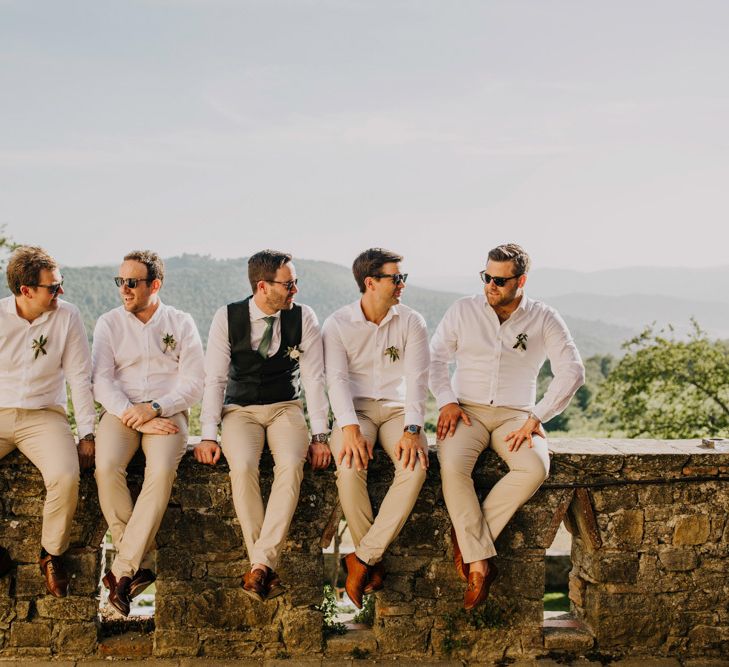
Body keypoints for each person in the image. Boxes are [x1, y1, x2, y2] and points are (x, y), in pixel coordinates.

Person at [430, 242, 585, 610]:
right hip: (466, 410)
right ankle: (480, 562)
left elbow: (573, 370)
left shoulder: (544, 317)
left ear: (522, 280)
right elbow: (433, 358)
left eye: (500, 280)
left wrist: (538, 416)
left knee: (535, 467)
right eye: (486, 277)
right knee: (452, 466)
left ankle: (468, 541)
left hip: (517, 415)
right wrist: (446, 400)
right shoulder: (463, 311)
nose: (491, 285)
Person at [194, 250, 331, 602]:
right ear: (262, 286)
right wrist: (209, 434)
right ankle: (264, 564)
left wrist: (320, 436)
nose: (295, 290)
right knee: (241, 466)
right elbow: (215, 379)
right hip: (240, 409)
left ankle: (258, 567)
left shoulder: (304, 317)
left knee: (290, 464)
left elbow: (315, 379)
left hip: (286, 407)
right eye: (289, 284)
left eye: (296, 282)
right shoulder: (228, 317)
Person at [92, 250, 204, 616]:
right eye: (120, 281)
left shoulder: (181, 322)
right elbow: (102, 382)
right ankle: (134, 567)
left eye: (131, 282)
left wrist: (155, 408)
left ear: (154, 285)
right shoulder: (109, 323)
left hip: (167, 414)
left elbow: (194, 384)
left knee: (161, 471)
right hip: (121, 412)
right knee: (106, 467)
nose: (123, 289)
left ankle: (122, 571)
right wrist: (133, 413)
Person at [322, 248, 429, 609]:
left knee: (414, 469)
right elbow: (335, 380)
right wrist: (348, 428)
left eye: (403, 277)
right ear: (370, 282)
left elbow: (417, 379)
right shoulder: (337, 324)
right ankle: (371, 561)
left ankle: (363, 558)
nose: (402, 284)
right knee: (350, 468)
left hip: (400, 410)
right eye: (395, 278)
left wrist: (413, 428)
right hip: (356, 411)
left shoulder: (412, 321)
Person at [0, 246, 96, 596]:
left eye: (61, 283)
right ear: (26, 291)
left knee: (65, 476)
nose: (61, 292)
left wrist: (87, 433)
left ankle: (51, 554)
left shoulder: (67, 316)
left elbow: (79, 377)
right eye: (53, 287)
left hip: (45, 416)